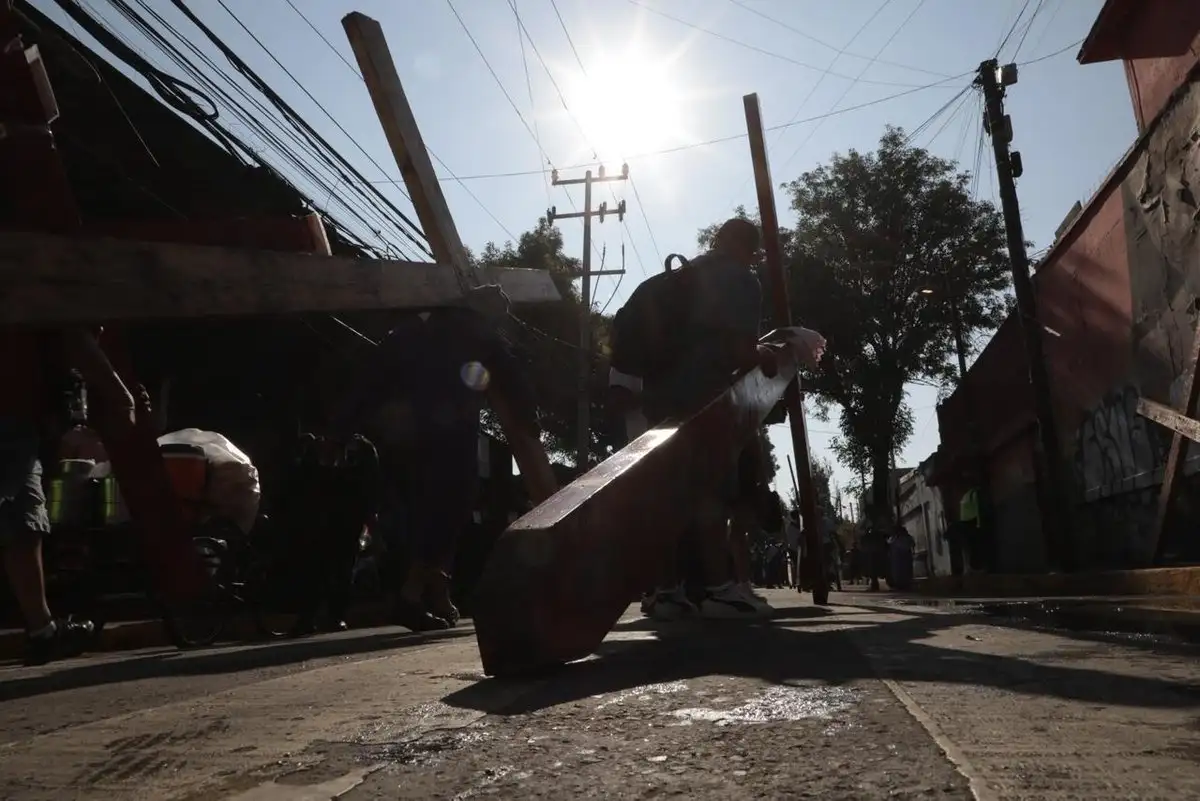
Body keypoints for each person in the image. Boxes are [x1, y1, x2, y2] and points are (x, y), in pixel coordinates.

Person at [332, 286, 541, 633]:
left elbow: (367, 383)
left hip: (400, 438)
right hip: (448, 435)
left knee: (419, 514)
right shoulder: (477, 334)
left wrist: (342, 430)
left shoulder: (410, 331)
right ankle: (412, 595)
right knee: (448, 512)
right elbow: (511, 378)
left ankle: (436, 594)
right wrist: (528, 417)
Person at [0, 329, 95, 665]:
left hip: (18, 416)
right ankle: (42, 630)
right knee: (22, 522)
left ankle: (42, 628)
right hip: (11, 417)